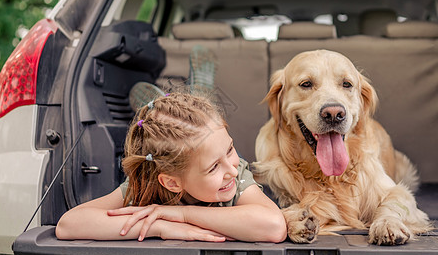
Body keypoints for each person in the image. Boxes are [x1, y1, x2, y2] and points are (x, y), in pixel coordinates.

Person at [56, 91, 287, 243]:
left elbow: (274, 226)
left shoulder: (234, 180)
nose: (233, 170)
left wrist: (183, 214)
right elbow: (69, 225)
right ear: (172, 183)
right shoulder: (144, 187)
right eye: (213, 167)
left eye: (230, 150)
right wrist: (159, 227)